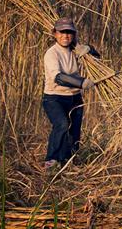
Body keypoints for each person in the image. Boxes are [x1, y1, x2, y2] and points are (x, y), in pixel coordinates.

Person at [43, 17, 97, 169]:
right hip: (54, 98)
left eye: (69, 32)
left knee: (75, 129)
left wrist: (89, 49)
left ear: (73, 34)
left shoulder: (75, 51)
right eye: (62, 32)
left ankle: (69, 160)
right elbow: (58, 77)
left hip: (74, 97)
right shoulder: (51, 53)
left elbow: (97, 59)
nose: (65, 36)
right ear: (55, 33)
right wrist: (81, 82)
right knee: (61, 125)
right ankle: (51, 160)